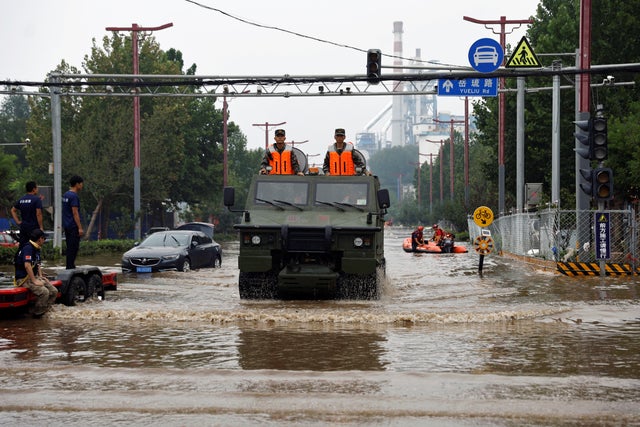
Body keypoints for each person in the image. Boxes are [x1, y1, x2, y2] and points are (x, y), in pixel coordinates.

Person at [14, 229, 58, 318]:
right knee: (44, 292)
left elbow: (37, 264)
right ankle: (37, 315)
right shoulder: (28, 248)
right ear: (39, 239)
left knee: (54, 291)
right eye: (44, 238)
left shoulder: (36, 248)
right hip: (23, 279)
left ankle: (45, 310)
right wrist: (34, 280)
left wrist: (41, 277)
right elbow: (27, 265)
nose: (44, 240)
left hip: (33, 277)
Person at [11, 181, 44, 249]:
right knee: (34, 246)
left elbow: (13, 210)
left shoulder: (21, 199)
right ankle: (31, 259)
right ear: (33, 189)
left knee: (23, 246)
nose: (37, 189)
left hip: (24, 227)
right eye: (37, 188)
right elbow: (38, 214)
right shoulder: (37, 200)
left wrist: (17, 221)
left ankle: (21, 258)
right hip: (34, 228)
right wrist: (41, 227)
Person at [62, 175, 84, 269]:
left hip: (67, 226)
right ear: (77, 184)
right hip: (73, 226)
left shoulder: (66, 195)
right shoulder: (74, 196)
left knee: (69, 247)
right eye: (81, 184)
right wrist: (80, 227)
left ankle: (69, 265)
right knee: (74, 247)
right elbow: (75, 213)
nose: (82, 186)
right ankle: (70, 267)